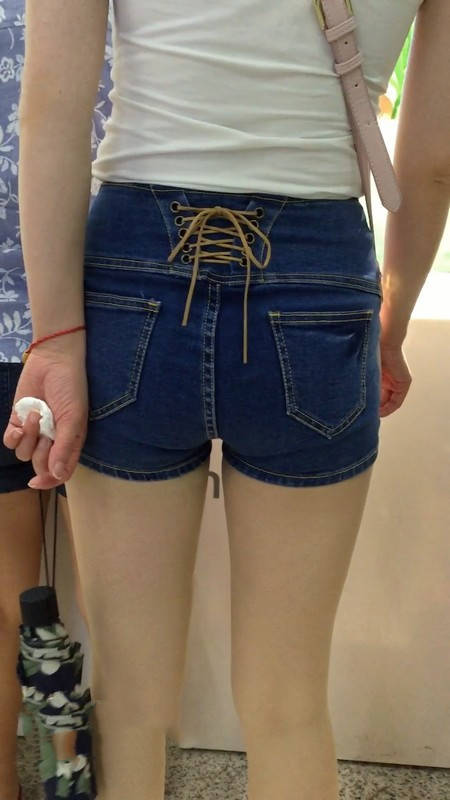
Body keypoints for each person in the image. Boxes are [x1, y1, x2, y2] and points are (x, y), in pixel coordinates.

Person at [3, 0, 450, 798]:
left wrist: (57, 340)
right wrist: (391, 324)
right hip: (319, 284)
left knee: (132, 702)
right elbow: (432, 164)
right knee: (288, 703)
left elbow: (50, 114)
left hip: (130, 283)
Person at [0, 2, 114, 799]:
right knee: (119, 599)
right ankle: (101, 779)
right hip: (107, 322)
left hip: (18, 322)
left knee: (8, 594)